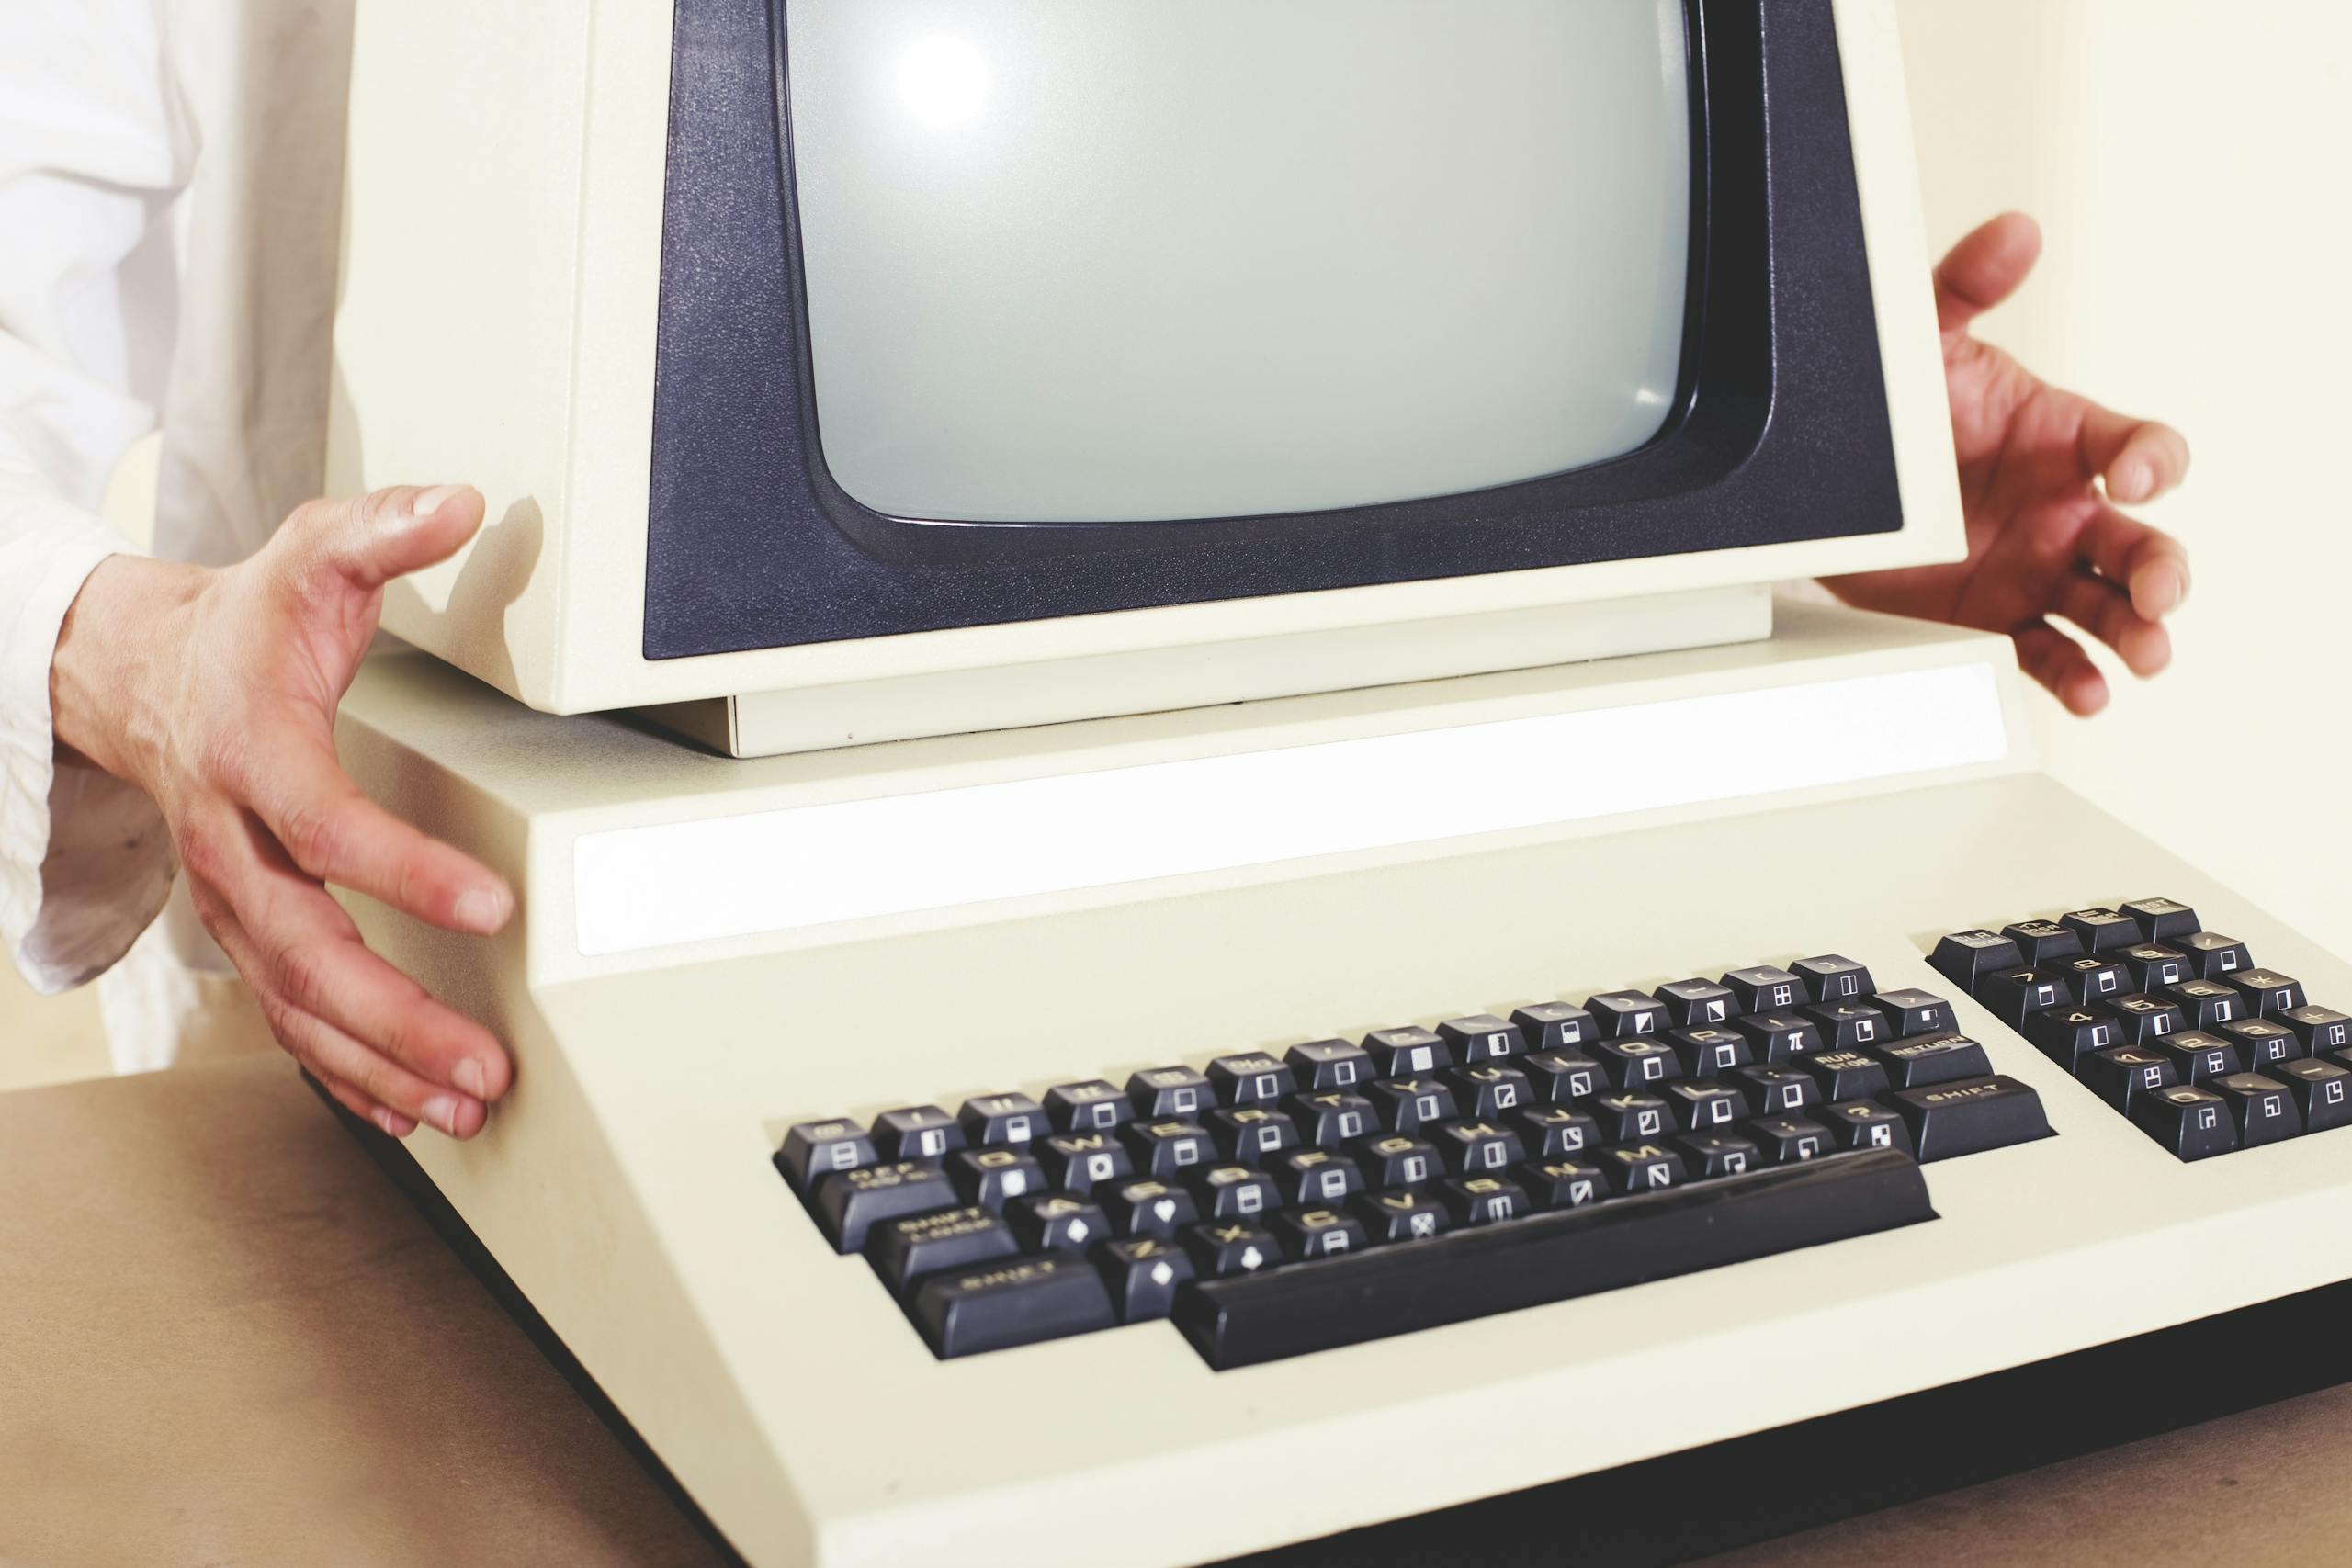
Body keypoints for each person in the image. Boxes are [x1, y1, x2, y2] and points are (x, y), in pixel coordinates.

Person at [2, 5, 2192, 1143]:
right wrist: (132, 646)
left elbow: (1293, 187)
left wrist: (1810, 454)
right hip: (450, 1007)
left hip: (1320, 969)